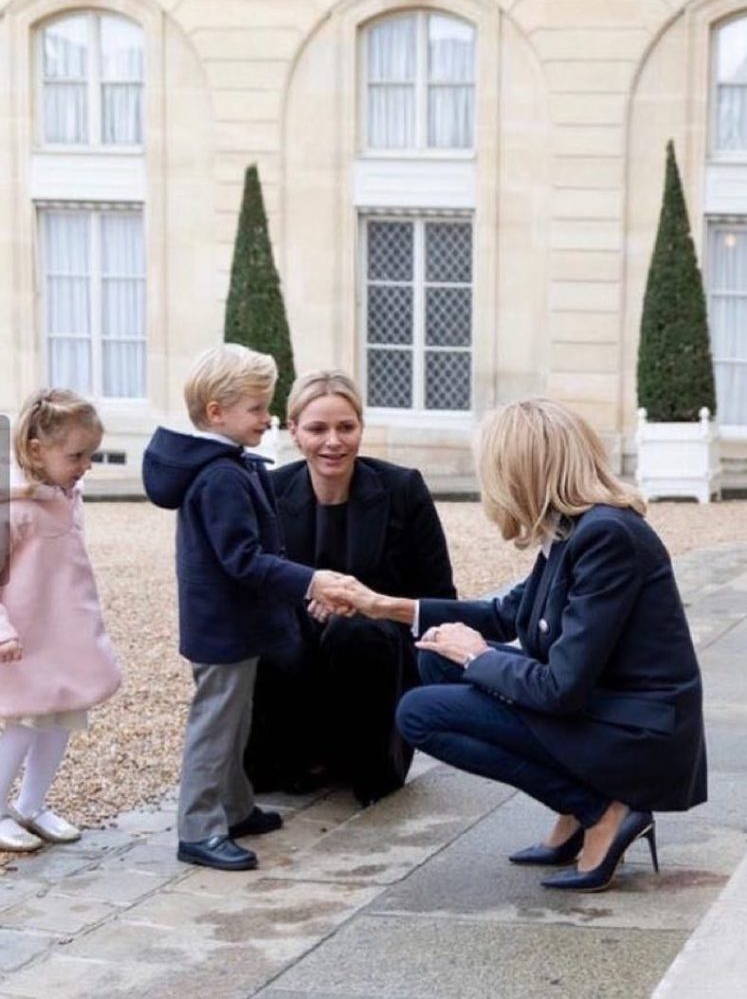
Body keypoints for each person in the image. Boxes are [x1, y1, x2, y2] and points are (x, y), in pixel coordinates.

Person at [334, 397, 707, 892]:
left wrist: (478, 655)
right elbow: (503, 614)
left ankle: (600, 809)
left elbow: (560, 688)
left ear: (521, 470)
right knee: (438, 661)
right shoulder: (574, 527)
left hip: (636, 732)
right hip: (605, 706)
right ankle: (579, 806)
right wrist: (382, 605)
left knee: (420, 713)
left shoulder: (606, 537)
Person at [142, 344, 349, 872]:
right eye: (257, 408)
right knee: (215, 725)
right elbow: (243, 560)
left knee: (236, 720)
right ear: (217, 412)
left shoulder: (229, 466)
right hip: (223, 629)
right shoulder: (220, 476)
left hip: (235, 624)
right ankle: (198, 829)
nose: (267, 417)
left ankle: (233, 807)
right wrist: (312, 582)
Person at [245, 371, 456, 804]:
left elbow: (439, 595)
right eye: (317, 429)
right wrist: (312, 594)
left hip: (380, 646)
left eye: (346, 427)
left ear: (361, 427)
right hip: (298, 647)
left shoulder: (402, 488)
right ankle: (294, 757)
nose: (333, 442)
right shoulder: (270, 490)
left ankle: (371, 769)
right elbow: (256, 583)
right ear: (294, 431)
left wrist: (362, 603)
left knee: (354, 631)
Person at [0, 389, 122, 853]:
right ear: (36, 450)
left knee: (61, 720)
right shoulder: (14, 509)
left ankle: (31, 804)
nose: (86, 465)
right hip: (24, 644)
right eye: (76, 456)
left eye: (90, 455)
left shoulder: (68, 497)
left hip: (66, 639)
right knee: (23, 724)